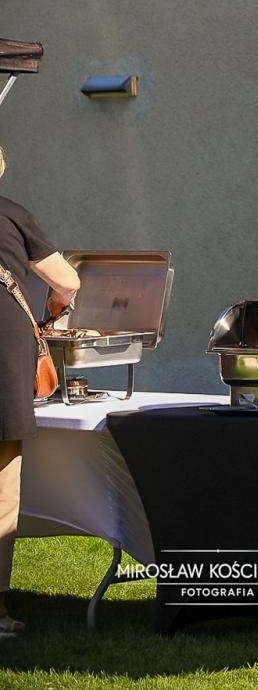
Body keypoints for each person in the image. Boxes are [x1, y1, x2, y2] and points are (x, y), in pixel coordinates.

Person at [0, 144, 81, 638]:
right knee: (1, 487)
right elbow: (67, 280)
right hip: (3, 351)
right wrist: (55, 307)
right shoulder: (12, 214)